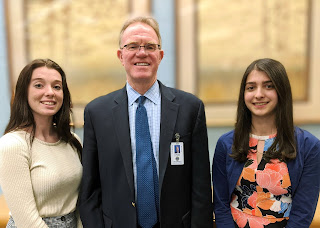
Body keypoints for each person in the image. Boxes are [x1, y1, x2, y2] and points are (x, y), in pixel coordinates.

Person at [78, 16, 213, 228]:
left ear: (160, 56)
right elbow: (89, 190)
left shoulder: (190, 108)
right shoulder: (97, 113)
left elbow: (201, 188)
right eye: (132, 46)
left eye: (150, 46)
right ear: (120, 56)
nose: (142, 53)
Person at [212, 58, 320, 228]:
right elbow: (220, 204)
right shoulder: (226, 144)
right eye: (251, 87)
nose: (259, 94)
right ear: (244, 94)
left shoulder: (309, 146)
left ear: (281, 91)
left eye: (269, 86)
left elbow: (303, 212)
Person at [0, 59, 83, 228]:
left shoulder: (73, 141)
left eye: (57, 86)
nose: (50, 92)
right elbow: (26, 221)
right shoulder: (13, 144)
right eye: (39, 85)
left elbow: (80, 201)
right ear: (24, 92)